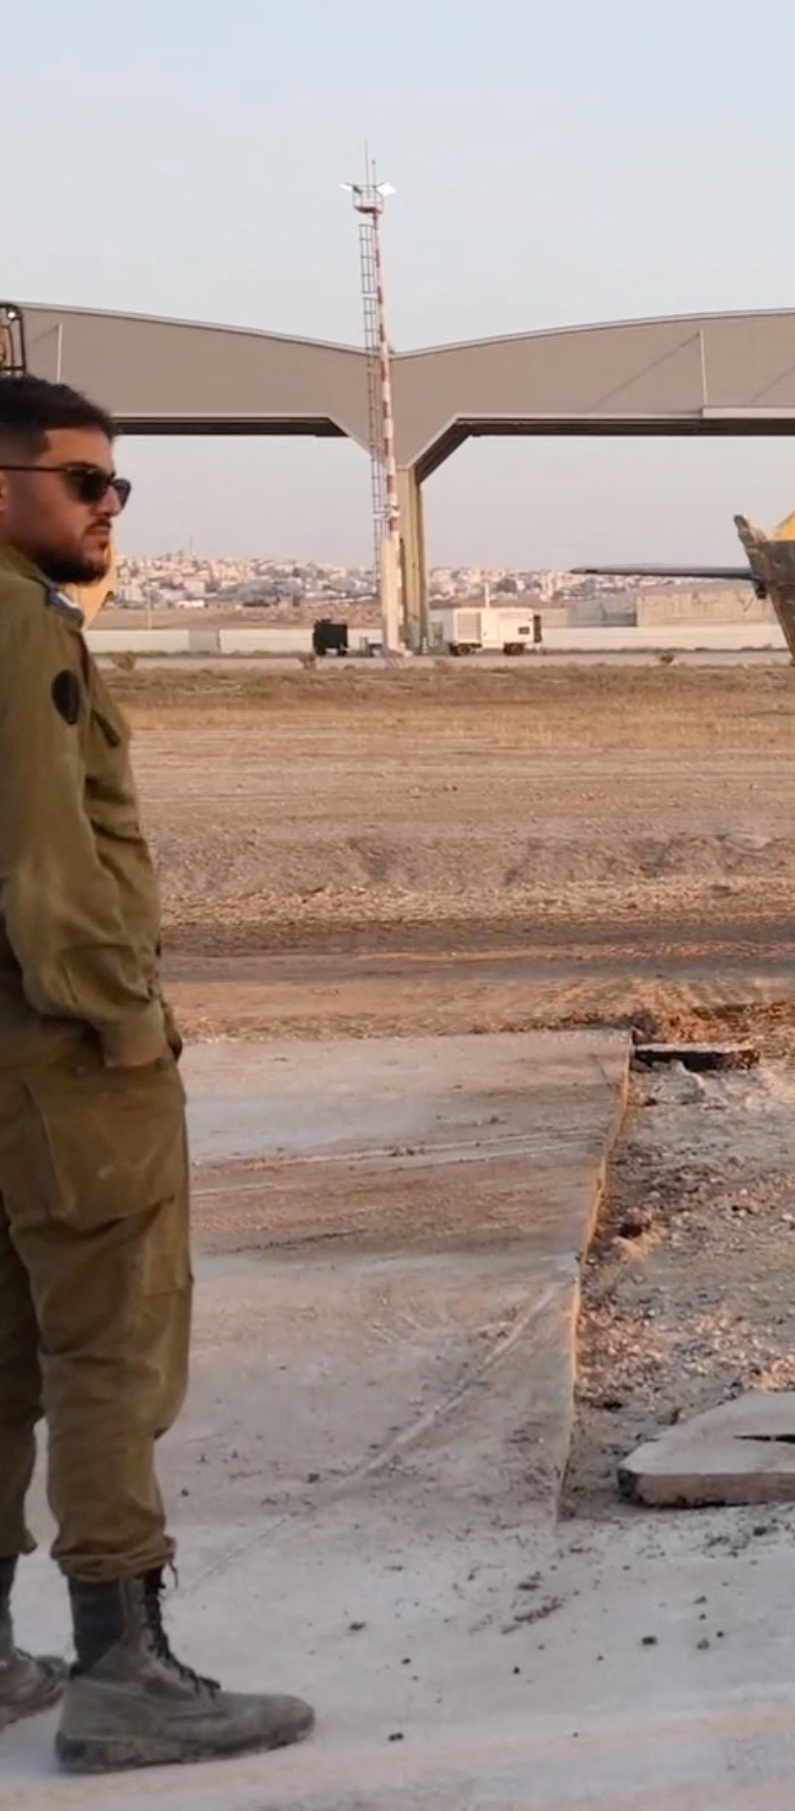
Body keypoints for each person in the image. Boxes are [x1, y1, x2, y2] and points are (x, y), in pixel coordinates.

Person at [0, 375, 314, 1770]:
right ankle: (122, 1665)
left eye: (117, 484)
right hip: (59, 1055)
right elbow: (43, 859)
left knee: (3, 1352)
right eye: (86, 481)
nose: (110, 507)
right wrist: (120, 1018)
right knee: (114, 1344)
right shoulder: (19, 628)